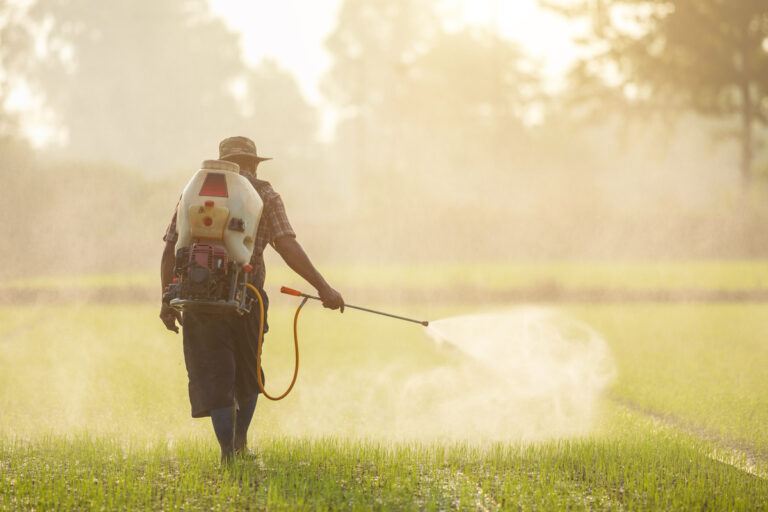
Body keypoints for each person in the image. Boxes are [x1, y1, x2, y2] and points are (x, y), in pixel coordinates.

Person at [159, 136, 344, 463]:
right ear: (253, 164)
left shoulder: (194, 192)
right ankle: (240, 445)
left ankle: (227, 452)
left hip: (198, 301)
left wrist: (166, 300)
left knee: (215, 375)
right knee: (247, 373)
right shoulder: (266, 195)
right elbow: (286, 246)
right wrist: (324, 288)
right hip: (247, 296)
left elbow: (171, 249)